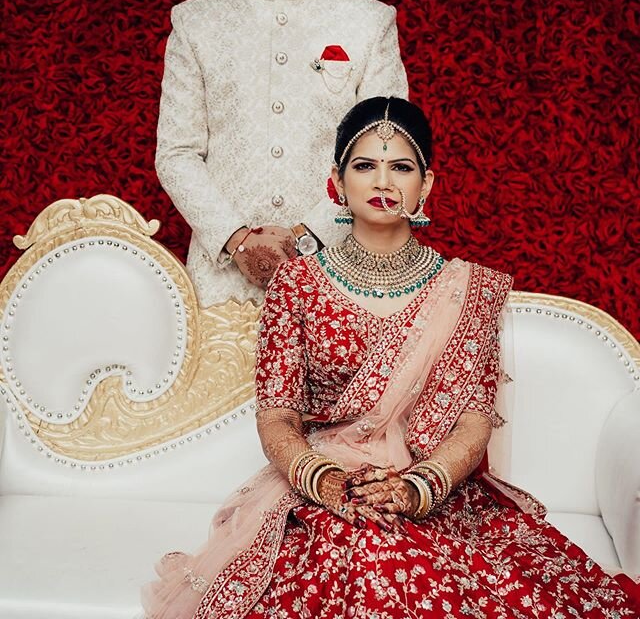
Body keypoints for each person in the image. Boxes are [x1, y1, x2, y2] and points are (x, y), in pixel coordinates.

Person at [143, 97, 640, 618]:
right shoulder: (296, 285)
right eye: (365, 166)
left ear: (426, 185)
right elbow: (276, 415)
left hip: (434, 491)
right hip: (327, 488)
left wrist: (417, 488)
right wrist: (322, 480)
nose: (383, 182)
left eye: (401, 167)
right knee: (360, 556)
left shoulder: (465, 288)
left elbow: (473, 420)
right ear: (336, 181)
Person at [155, 0, 408, 309]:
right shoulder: (197, 22)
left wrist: (306, 239)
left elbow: (384, 152)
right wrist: (237, 241)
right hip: (221, 286)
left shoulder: (367, 22)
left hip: (342, 274)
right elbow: (176, 154)